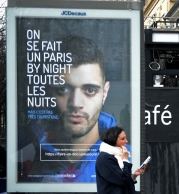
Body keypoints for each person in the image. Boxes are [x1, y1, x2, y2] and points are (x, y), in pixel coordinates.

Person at [19, 36, 116, 182]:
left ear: (105, 92)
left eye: (90, 90)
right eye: (63, 89)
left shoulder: (124, 156)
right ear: (50, 91)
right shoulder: (25, 152)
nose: (76, 103)